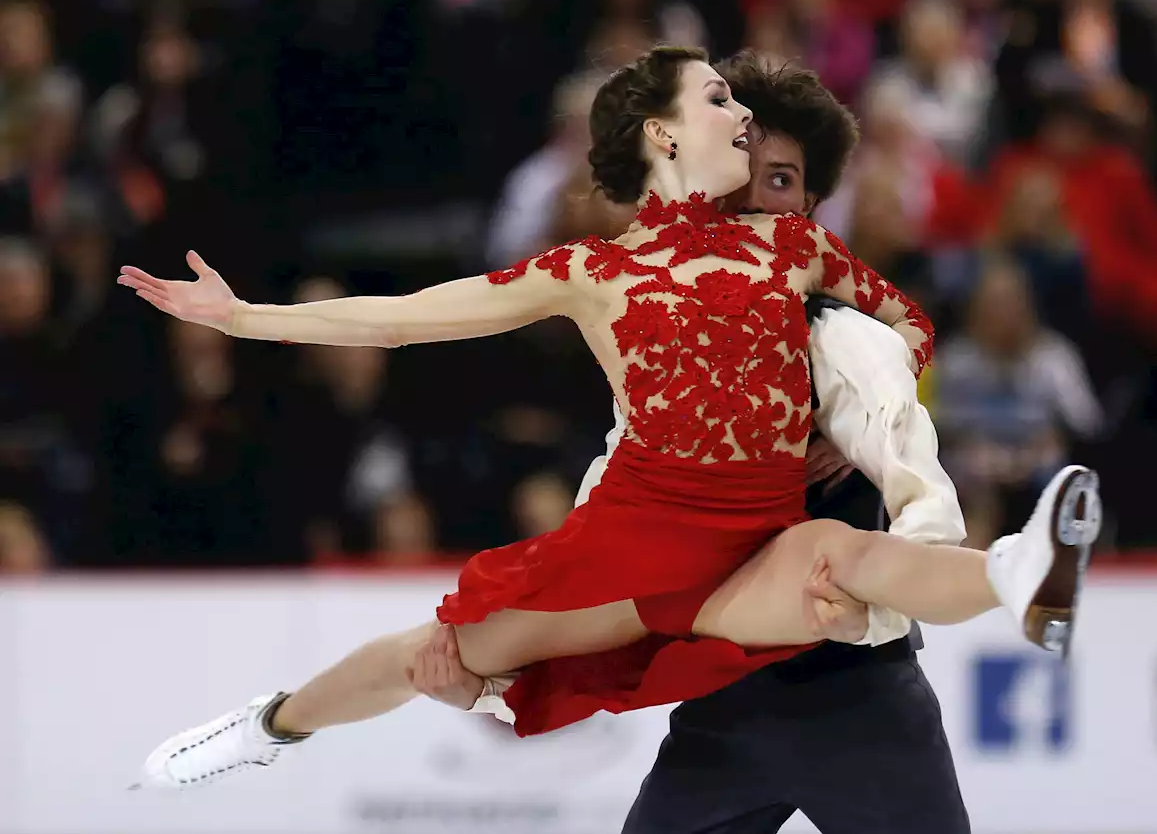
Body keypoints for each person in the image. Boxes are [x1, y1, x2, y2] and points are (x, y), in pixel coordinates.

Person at [121, 46, 1099, 791]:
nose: (740, 114)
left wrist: (829, 419)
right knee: (443, 654)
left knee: (841, 553)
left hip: (759, 533)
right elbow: (407, 320)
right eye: (718, 99)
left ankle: (1021, 573)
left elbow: (904, 328)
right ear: (663, 136)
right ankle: (270, 725)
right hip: (637, 545)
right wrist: (246, 317)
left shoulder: (790, 243)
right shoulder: (593, 270)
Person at [411, 50, 976, 833]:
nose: (751, 203)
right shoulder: (670, 355)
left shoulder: (845, 340)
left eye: (779, 184)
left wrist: (858, 445)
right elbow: (601, 570)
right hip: (722, 711)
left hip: (861, 698)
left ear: (811, 205)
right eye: (742, 176)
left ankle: (1022, 571)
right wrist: (488, 683)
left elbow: (915, 436)